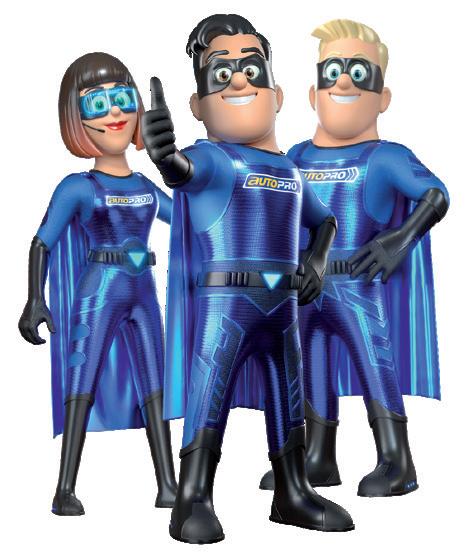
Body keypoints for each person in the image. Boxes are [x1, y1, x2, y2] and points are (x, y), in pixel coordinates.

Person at [142, 13, 354, 544]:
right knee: (209, 393)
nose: (239, 80)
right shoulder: (214, 159)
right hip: (227, 304)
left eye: (252, 70)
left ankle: (292, 491)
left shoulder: (291, 170)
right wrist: (164, 155)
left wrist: (316, 261)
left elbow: (325, 221)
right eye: (221, 74)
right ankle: (193, 497)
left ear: (277, 95)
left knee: (289, 397)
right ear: (198, 106)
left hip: (283, 309)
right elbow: (183, 173)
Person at [259, 19, 449, 497]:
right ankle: (318, 457)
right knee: (308, 366)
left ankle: (396, 460)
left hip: (357, 283)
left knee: (373, 361)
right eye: (332, 72)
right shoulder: (296, 155)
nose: (343, 82)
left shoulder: (385, 157)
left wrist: (400, 239)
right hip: (305, 289)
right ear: (313, 93)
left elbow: (436, 194)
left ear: (383, 97)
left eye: (359, 73)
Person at [18, 52, 177, 515]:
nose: (115, 113)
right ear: (76, 118)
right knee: (82, 380)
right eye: (97, 103)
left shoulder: (146, 185)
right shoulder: (78, 187)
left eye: (123, 98)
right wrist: (34, 297)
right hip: (99, 290)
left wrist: (175, 161)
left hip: (143, 293)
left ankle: (168, 484)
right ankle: (64, 488)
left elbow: (188, 218)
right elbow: (42, 241)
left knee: (155, 383)